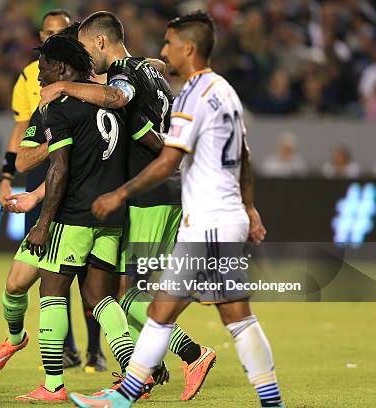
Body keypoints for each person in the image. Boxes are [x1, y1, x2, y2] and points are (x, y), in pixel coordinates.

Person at [71, 12, 285, 408]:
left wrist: (120, 194)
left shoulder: (191, 94)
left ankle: (264, 399)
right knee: (161, 309)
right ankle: (125, 396)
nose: (163, 51)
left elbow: (168, 158)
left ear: (188, 48)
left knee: (218, 314)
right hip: (205, 215)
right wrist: (250, 208)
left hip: (206, 218)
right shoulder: (222, 90)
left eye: (169, 44)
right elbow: (245, 153)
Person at [39, 10, 212, 399]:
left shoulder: (127, 74)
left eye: (85, 48)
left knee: (129, 293)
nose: (85, 59)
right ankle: (141, 372)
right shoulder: (150, 69)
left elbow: (117, 96)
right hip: (169, 192)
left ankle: (191, 354)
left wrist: (65, 88)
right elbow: (158, 67)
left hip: (149, 195)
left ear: (100, 42)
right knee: (122, 290)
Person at [9, 33, 130, 402]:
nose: (40, 77)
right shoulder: (113, 103)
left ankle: (53, 386)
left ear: (61, 67)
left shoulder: (58, 107)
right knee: (100, 298)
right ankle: (134, 374)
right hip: (111, 215)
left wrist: (44, 223)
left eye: (44, 69)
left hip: (75, 214)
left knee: (51, 292)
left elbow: (60, 167)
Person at [0, 11, 104, 373]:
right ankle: (20, 337)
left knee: (92, 292)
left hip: (82, 207)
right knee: (18, 283)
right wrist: (28, 186)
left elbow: (71, 163)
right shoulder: (45, 96)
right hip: (56, 193)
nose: (39, 74)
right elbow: (32, 156)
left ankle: (102, 362)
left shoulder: (104, 88)